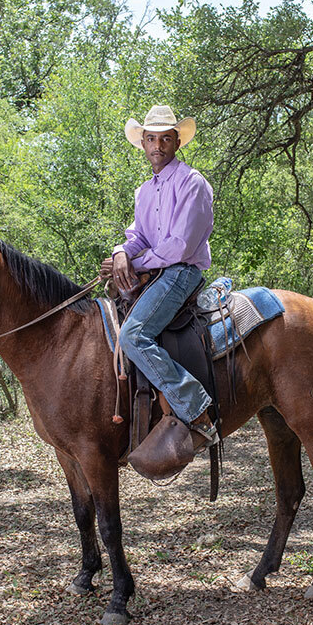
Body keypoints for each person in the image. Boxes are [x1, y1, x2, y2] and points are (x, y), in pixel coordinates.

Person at [100, 105, 218, 463]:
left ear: (177, 142)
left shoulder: (192, 183)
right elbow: (137, 235)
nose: (158, 145)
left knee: (133, 335)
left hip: (181, 272)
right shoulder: (144, 192)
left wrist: (134, 261)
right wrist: (122, 253)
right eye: (151, 138)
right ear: (144, 144)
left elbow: (179, 245)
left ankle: (197, 411)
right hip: (153, 272)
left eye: (165, 138)